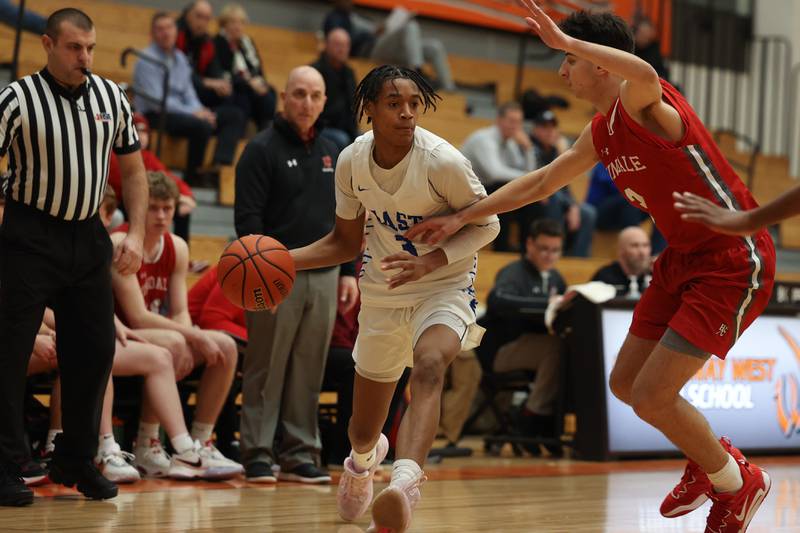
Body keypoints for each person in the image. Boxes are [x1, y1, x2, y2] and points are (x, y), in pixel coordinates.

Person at [407, 4, 775, 531]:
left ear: (599, 63)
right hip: (681, 258)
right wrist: (461, 217)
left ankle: (737, 484)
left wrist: (565, 37)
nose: (562, 72)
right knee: (626, 384)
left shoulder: (647, 102)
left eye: (569, 60)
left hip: (732, 259)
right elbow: (538, 184)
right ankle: (712, 463)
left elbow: (643, 71)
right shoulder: (602, 133)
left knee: (652, 395)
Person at [289, 64, 499, 532]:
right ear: (370, 109)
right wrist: (285, 261)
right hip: (382, 292)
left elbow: (489, 223)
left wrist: (431, 260)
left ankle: (404, 484)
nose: (407, 114)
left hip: (444, 283)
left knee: (429, 366)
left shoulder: (442, 162)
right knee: (362, 429)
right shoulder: (351, 162)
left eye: (414, 105)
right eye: (393, 104)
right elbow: (344, 243)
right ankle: (363, 463)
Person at [0, 8, 147, 506]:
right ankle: (4, 463)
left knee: (95, 350)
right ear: (47, 44)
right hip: (28, 235)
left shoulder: (111, 96)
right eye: (73, 47)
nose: (84, 57)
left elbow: (134, 169)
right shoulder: (16, 98)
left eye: (90, 48)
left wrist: (138, 233)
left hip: (89, 237)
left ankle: (76, 458)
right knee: (10, 351)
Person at [234, 66, 358, 485]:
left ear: (324, 101)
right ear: (284, 97)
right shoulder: (260, 149)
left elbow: (344, 221)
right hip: (273, 273)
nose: (307, 103)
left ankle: (301, 451)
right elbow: (248, 218)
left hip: (324, 274)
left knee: (309, 365)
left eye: (315, 95)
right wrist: (260, 269)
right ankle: (257, 450)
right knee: (265, 365)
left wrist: (346, 272)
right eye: (299, 94)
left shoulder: (333, 152)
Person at [110, 171, 242, 479]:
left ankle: (202, 441)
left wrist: (192, 337)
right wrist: (189, 336)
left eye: (167, 209)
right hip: (121, 332)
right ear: (137, 209)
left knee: (226, 346)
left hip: (157, 332)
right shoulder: (121, 242)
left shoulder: (177, 247)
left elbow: (181, 310)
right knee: (174, 343)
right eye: (153, 208)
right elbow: (138, 315)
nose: (160, 216)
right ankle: (148, 444)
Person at [478, 219, 566, 444]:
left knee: (570, 347)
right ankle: (531, 415)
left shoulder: (556, 278)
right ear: (529, 245)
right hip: (499, 350)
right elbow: (497, 300)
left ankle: (553, 419)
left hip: (529, 347)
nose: (549, 255)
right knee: (555, 348)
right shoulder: (513, 272)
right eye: (544, 249)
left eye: (555, 250)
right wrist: (547, 303)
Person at [133, 11, 246, 185]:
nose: (166, 33)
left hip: (182, 112)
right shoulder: (146, 59)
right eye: (160, 29)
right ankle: (193, 176)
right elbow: (157, 100)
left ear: (176, 31)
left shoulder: (180, 58)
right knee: (201, 125)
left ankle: (218, 166)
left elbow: (189, 93)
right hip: (156, 114)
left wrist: (201, 110)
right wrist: (194, 113)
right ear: (153, 34)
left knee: (234, 115)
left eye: (169, 27)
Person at [323, 0, 456, 91]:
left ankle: (449, 90)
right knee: (410, 26)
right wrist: (374, 33)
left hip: (388, 48)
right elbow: (342, 43)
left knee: (434, 47)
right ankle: (417, 72)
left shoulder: (355, 16)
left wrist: (381, 28)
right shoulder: (334, 18)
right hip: (371, 50)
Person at [107, 114, 197, 243]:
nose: (141, 136)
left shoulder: (148, 156)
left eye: (145, 132)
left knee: (181, 210)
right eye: (137, 131)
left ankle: (183, 251)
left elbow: (168, 177)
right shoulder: (115, 155)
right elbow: (128, 184)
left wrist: (186, 195)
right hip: (122, 202)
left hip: (143, 199)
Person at [460, 102, 537, 251]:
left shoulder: (510, 143)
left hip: (485, 190)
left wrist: (528, 149)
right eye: (511, 121)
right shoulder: (484, 139)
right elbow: (495, 173)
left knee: (533, 198)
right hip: (465, 192)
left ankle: (526, 249)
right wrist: (529, 179)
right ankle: (501, 248)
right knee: (505, 189)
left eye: (519, 122)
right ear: (499, 120)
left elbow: (527, 171)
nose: (515, 126)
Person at [524, 110, 596, 256]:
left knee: (588, 212)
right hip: (531, 199)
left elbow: (565, 184)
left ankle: (577, 259)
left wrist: (573, 205)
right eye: (544, 127)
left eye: (552, 127)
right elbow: (536, 179)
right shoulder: (528, 147)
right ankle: (554, 252)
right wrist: (570, 205)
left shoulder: (555, 150)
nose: (550, 132)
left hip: (554, 196)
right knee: (554, 199)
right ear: (535, 129)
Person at [213, 3, 277, 131]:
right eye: (233, 22)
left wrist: (260, 83)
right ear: (224, 24)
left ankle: (264, 134)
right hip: (233, 87)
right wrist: (249, 83)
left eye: (241, 22)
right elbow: (222, 73)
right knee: (243, 98)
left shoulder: (247, 43)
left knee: (270, 93)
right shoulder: (217, 43)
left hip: (251, 86)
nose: (238, 27)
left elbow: (258, 70)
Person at [311, 28, 360, 151]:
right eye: (338, 45)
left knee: (366, 140)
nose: (342, 49)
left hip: (345, 128)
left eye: (346, 45)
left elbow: (353, 107)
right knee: (342, 139)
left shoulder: (349, 73)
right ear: (326, 45)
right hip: (319, 128)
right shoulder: (315, 72)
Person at [591, 226, 652, 298]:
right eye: (635, 246)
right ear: (620, 250)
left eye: (645, 245)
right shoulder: (604, 277)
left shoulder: (655, 276)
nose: (642, 252)